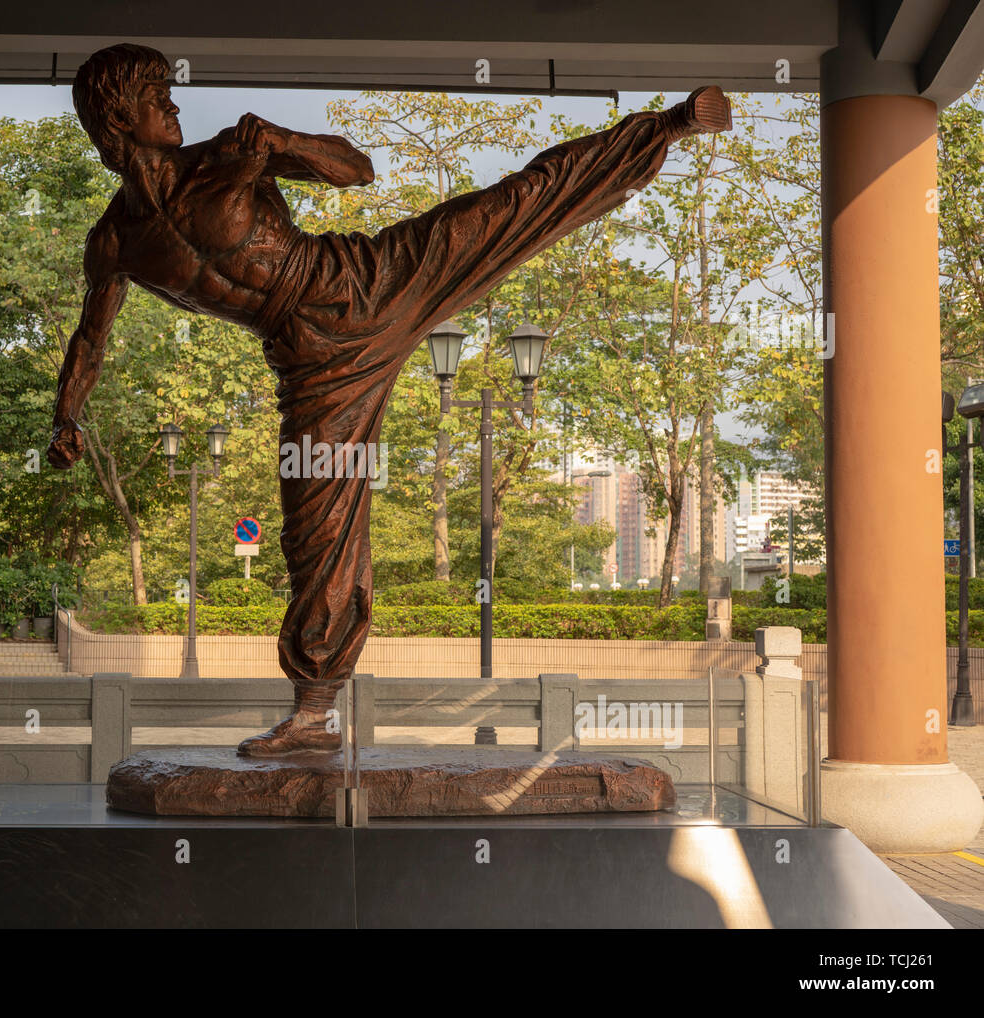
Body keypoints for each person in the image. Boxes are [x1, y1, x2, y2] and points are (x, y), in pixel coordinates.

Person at [49, 43, 731, 754]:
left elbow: (357, 170)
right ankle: (313, 714)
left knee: (507, 209)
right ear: (119, 116)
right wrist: (65, 419)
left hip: (364, 284)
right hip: (311, 362)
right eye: (158, 98)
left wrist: (284, 142)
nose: (174, 106)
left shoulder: (225, 154)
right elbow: (89, 341)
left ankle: (668, 126)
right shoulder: (114, 241)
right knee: (315, 528)